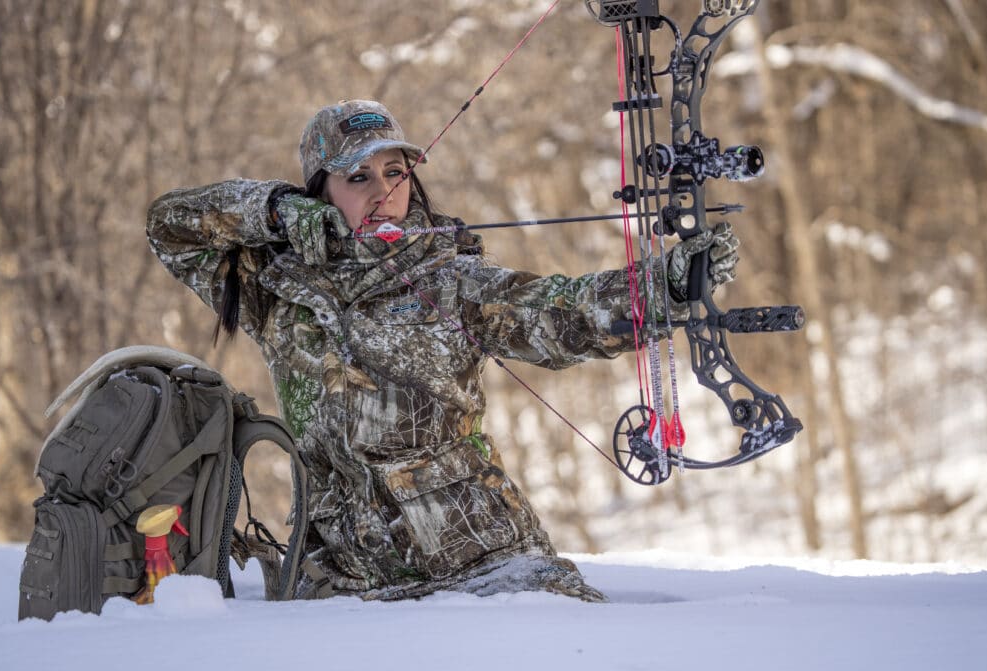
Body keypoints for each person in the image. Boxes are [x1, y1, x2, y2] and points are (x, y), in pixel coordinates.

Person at [146, 99, 738, 602]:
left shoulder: (450, 280)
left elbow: (563, 311)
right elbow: (169, 225)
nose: (383, 191)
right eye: (358, 177)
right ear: (318, 193)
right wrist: (274, 210)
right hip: (346, 580)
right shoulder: (277, 290)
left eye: (395, 171)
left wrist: (666, 286)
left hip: (485, 564)